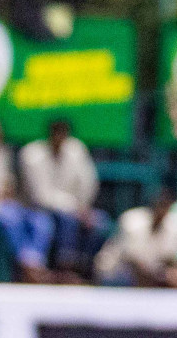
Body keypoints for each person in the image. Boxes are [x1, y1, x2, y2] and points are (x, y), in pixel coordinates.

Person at [19, 117, 109, 278]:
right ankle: (64, 270)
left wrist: (83, 207)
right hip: (38, 209)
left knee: (101, 222)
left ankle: (83, 270)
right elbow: (41, 196)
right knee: (67, 220)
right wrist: (75, 208)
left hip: (77, 208)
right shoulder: (32, 154)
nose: (60, 139)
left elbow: (88, 183)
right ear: (50, 135)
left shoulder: (76, 150)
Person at [0, 112, 54, 282]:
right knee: (11, 217)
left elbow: (9, 183)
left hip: (5, 204)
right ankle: (28, 266)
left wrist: (7, 192)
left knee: (41, 220)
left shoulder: (3, 153)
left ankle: (34, 262)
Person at [94, 183, 177, 286]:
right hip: (116, 271)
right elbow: (132, 261)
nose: (162, 210)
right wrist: (156, 276)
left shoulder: (174, 225)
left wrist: (174, 274)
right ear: (153, 205)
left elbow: (170, 259)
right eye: (160, 204)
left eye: (166, 206)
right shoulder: (132, 221)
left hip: (152, 273)